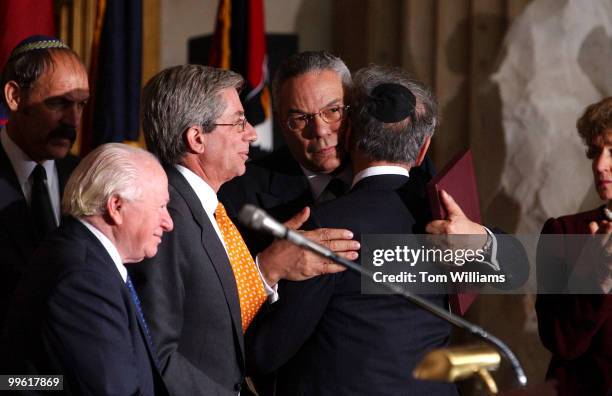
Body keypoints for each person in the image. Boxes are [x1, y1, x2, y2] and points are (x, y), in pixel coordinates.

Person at [245, 65, 527, 395]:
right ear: (422, 149)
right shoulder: (440, 215)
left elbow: (266, 352)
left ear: (348, 136)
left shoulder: (324, 226)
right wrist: (482, 243)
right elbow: (520, 269)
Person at [130, 65, 357, 395]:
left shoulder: (207, 206)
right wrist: (267, 268)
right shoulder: (165, 218)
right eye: (238, 122)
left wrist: (461, 251)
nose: (252, 133)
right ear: (196, 138)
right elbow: (157, 354)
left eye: (333, 111)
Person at [219, 51, 435, 253]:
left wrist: (468, 242)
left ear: (355, 108)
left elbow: (458, 274)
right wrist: (270, 268)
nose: (320, 131)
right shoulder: (241, 194)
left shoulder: (409, 172)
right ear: (282, 125)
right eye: (300, 119)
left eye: (333, 111)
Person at [1, 143, 172, 395]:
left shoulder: (83, 253)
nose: (168, 222)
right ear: (116, 207)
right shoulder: (84, 279)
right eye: (161, 207)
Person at [0, 35, 88, 324]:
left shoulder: (86, 177)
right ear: (14, 97)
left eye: (81, 105)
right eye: (59, 103)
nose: (73, 121)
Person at [536, 97, 612, 396]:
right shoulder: (564, 232)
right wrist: (598, 278)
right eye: (595, 151)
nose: (600, 165)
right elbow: (562, 342)